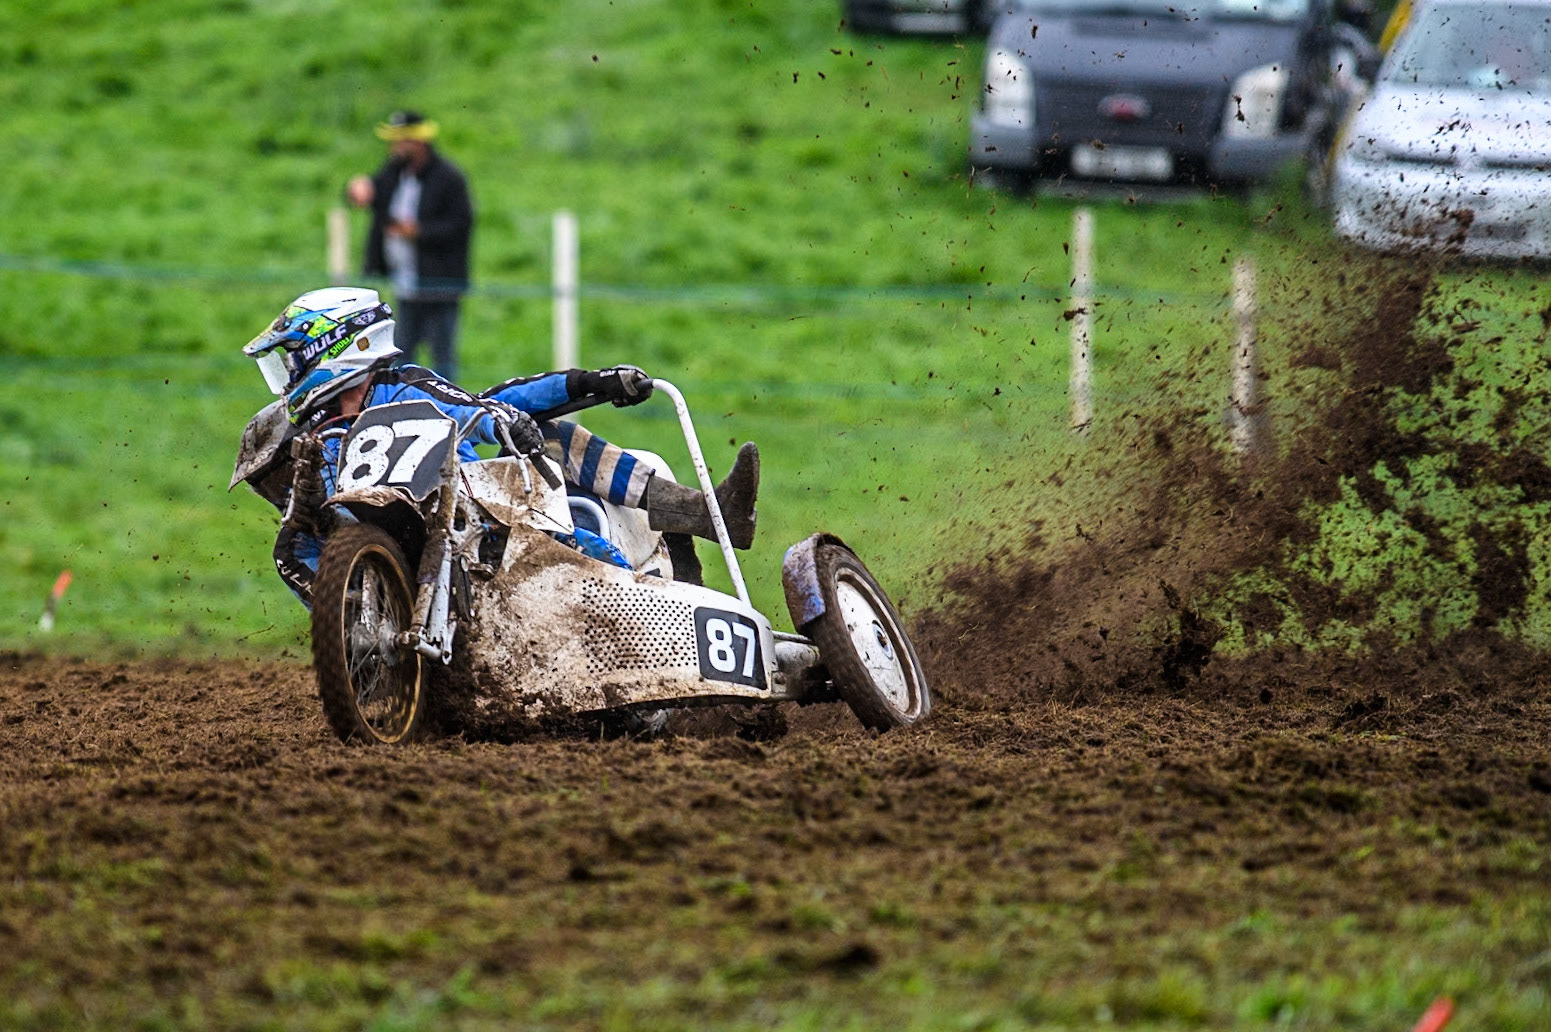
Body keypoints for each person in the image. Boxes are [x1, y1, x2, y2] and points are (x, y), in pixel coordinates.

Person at [230, 287, 759, 605]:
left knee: (555, 458)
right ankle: (368, 634)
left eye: (291, 360)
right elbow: (302, 541)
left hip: (477, 515)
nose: (286, 378)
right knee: (289, 550)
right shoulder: (311, 436)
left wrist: (513, 420)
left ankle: (687, 542)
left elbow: (470, 406)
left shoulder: (406, 385)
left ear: (335, 346)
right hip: (387, 558)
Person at [346, 110, 473, 382]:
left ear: (417, 141)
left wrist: (419, 232)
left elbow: (460, 224)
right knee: (402, 355)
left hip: (438, 285)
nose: (393, 147)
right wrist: (356, 189)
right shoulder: (393, 173)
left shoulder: (449, 177)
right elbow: (366, 193)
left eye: (399, 140)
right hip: (405, 285)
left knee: (442, 358)